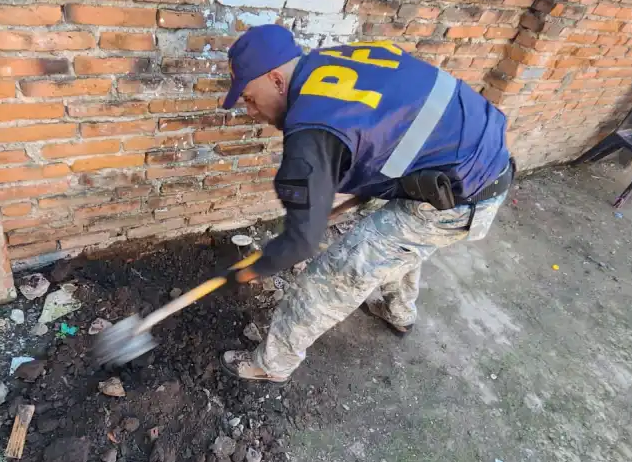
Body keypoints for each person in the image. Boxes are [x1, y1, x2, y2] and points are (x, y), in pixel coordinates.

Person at [220, 24, 514, 383]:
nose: (251, 111)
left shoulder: (310, 132)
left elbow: (301, 243)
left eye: (250, 98)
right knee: (396, 238)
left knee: (331, 279)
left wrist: (250, 270)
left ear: (277, 80)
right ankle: (398, 311)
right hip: (469, 160)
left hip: (459, 194)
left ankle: (271, 365)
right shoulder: (329, 61)